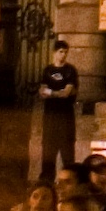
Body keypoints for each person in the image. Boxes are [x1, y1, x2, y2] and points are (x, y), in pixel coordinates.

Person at [35, 43, 81, 185]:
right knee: (48, 153)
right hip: (50, 118)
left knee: (67, 154)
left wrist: (52, 93)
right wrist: (56, 93)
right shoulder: (47, 70)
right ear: (54, 52)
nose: (63, 55)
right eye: (61, 52)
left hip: (65, 117)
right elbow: (42, 92)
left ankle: (69, 183)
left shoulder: (70, 71)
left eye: (66, 52)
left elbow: (66, 93)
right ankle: (46, 184)